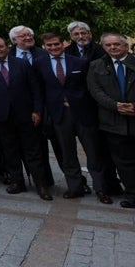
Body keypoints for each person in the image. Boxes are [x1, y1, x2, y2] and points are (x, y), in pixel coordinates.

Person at [0, 37, 52, 200]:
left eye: (0, 46)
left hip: (25, 115)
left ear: (7, 47)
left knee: (33, 151)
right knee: (9, 151)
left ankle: (41, 185)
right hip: (1, 116)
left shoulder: (21, 63)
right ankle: (17, 182)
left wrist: (37, 110)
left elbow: (35, 88)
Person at [34, 32, 102, 200]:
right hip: (59, 114)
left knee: (93, 152)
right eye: (49, 45)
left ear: (63, 44)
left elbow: (89, 88)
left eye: (56, 44)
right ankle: (75, 187)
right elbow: (39, 90)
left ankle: (102, 189)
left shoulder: (79, 62)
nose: (53, 47)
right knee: (67, 153)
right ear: (44, 47)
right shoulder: (39, 63)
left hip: (82, 113)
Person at [87, 33, 135, 208]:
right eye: (108, 45)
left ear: (125, 46)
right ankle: (131, 194)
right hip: (113, 122)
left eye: (116, 44)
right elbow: (95, 91)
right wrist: (116, 106)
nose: (113, 47)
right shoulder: (96, 65)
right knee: (123, 162)